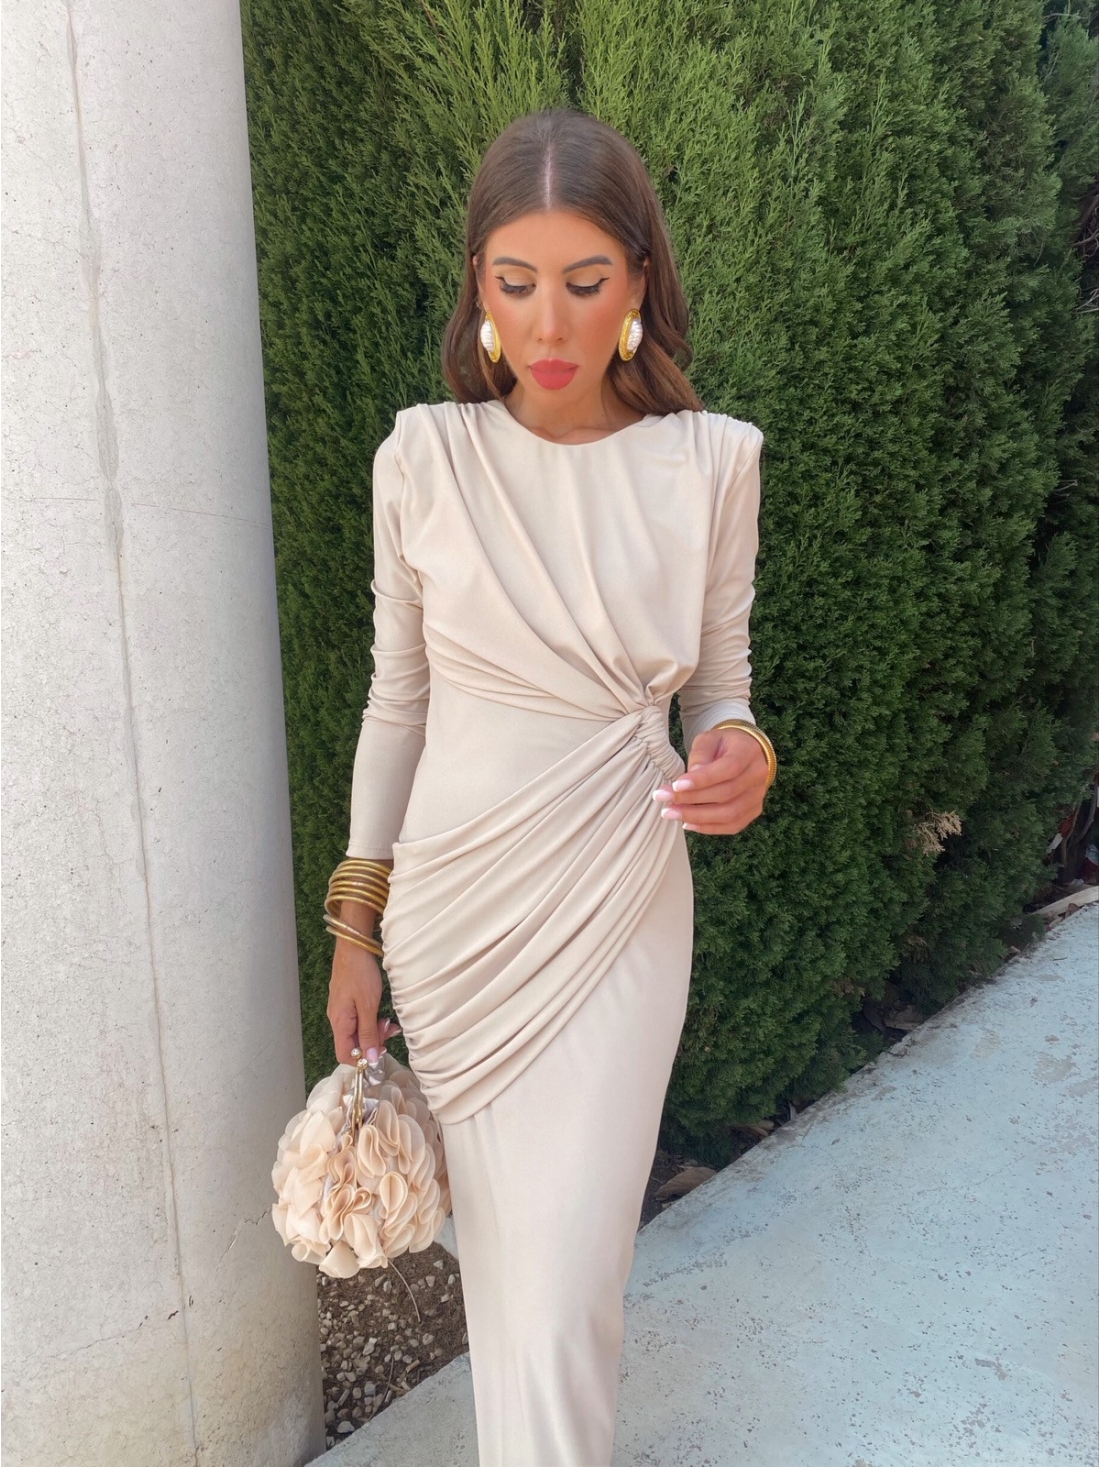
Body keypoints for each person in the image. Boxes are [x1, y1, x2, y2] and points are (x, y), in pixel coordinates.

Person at [325, 107, 776, 1467]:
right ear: (479, 284)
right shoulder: (424, 460)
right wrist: (355, 922)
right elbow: (397, 703)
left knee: (573, 1278)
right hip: (454, 912)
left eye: (584, 281)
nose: (549, 323)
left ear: (639, 278)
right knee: (509, 1277)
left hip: (620, 900)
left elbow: (723, 686)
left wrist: (744, 755)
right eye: (515, 283)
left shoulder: (711, 464)